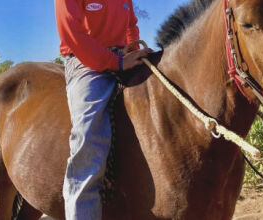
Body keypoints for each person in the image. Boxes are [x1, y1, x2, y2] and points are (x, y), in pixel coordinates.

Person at [54, 0, 151, 219]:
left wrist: (135, 51)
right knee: (89, 136)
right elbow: (71, 31)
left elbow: (131, 25)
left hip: (122, 56)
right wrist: (114, 62)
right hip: (85, 61)